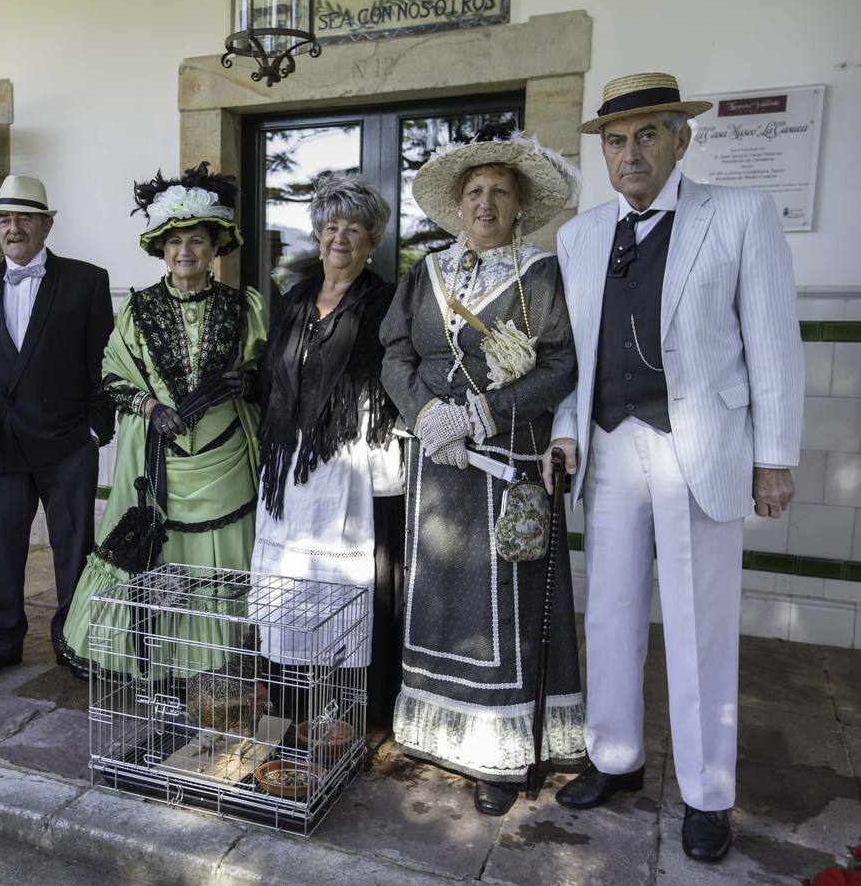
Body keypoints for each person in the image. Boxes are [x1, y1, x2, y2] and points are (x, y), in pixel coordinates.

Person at [544, 73, 803, 863]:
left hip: (704, 447)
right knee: (613, 610)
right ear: (603, 152)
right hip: (611, 444)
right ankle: (614, 758)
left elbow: (773, 342)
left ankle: (707, 792)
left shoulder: (738, 214)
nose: (631, 153)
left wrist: (775, 457)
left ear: (681, 140)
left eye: (648, 135)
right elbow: (572, 358)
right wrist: (564, 433)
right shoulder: (579, 235)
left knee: (700, 626)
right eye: (616, 140)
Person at [380, 125, 584, 815]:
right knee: (437, 595)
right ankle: (433, 732)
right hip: (436, 464)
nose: (485, 203)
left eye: (499, 191)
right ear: (458, 205)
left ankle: (500, 753)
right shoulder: (425, 272)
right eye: (474, 192)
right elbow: (394, 352)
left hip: (506, 460)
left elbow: (560, 364)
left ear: (520, 204)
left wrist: (480, 415)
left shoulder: (543, 275)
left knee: (504, 605)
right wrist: (426, 415)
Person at [61, 162, 267, 677]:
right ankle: (161, 663)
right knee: (159, 558)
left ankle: (219, 660)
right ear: (161, 248)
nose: (185, 252)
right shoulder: (136, 309)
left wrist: (247, 382)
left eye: (196, 241)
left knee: (221, 566)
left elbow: (271, 375)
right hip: (158, 464)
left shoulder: (247, 306)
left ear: (215, 246)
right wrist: (151, 408)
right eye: (175, 242)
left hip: (227, 459)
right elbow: (111, 375)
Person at [250, 173, 404, 725]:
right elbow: (272, 374)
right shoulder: (294, 299)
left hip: (352, 462)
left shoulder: (386, 300)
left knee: (344, 584)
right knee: (289, 576)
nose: (341, 238)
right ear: (318, 235)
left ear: (372, 242)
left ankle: (346, 713)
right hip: (290, 463)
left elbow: (396, 374)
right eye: (331, 226)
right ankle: (289, 703)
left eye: (355, 229)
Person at [0, 175, 114, 682]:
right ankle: (3, 643)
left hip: (67, 443)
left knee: (73, 547)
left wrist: (95, 430)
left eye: (24, 217)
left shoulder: (87, 280)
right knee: (7, 552)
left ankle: (72, 642)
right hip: (0, 443)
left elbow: (104, 363)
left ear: (47, 223)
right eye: (3, 218)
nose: (12, 227)